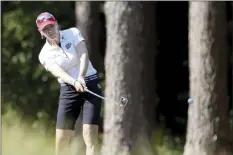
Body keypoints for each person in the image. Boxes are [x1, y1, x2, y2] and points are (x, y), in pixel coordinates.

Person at [36, 12, 102, 155]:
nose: (49, 30)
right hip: (68, 90)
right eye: (45, 28)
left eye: (51, 26)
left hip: (89, 83)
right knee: (61, 141)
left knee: (89, 135)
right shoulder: (44, 54)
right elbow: (58, 72)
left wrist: (81, 77)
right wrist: (74, 81)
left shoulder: (73, 33)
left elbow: (83, 54)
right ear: (40, 32)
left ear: (56, 24)